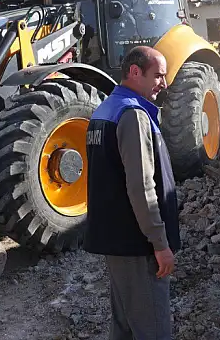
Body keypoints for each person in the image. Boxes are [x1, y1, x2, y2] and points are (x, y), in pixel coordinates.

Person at [83, 45, 180, 340]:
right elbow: (141, 186)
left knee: (125, 327)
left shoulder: (104, 111)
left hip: (118, 243)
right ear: (135, 72)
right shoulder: (133, 115)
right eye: (158, 76)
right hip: (138, 246)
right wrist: (159, 242)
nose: (163, 84)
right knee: (152, 329)